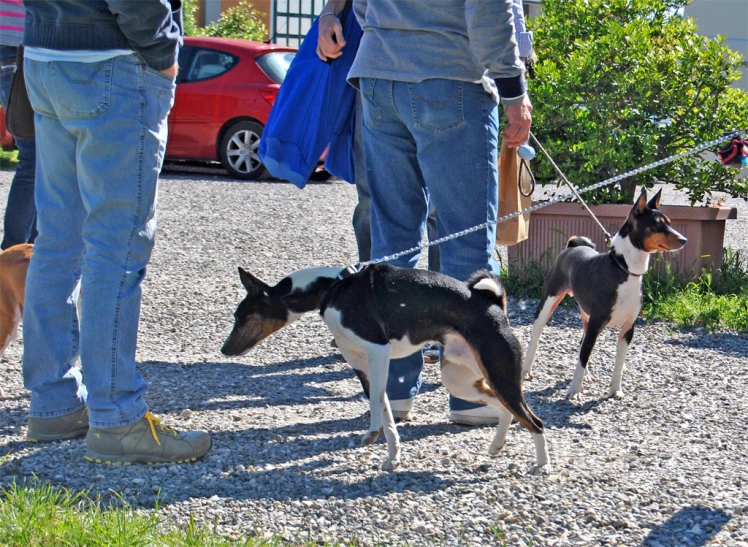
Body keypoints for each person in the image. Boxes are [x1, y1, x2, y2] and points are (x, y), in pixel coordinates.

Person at [320, 0, 533, 425]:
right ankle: (469, 396)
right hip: (452, 74)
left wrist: (394, 31)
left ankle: (393, 393)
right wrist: (514, 92)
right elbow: (489, 10)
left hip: (379, 76)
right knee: (466, 243)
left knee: (391, 246)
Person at [20, 0, 211, 464]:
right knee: (117, 246)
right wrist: (162, 51)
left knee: (57, 241)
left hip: (46, 53)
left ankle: (53, 404)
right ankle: (116, 417)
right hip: (113, 59)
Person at [0, 0, 37, 250]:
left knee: (45, 159)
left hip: (23, 41)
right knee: (34, 157)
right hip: (16, 43)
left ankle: (34, 254)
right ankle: (12, 255)